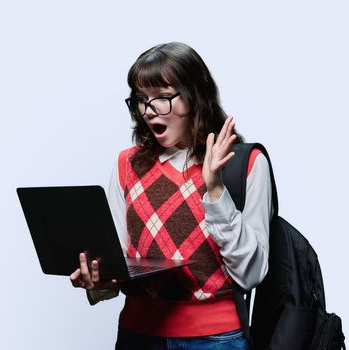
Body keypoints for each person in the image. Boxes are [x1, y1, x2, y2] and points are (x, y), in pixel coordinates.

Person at [69, 42, 273, 349]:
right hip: (137, 336)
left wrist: (215, 188)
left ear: (195, 96)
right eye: (141, 100)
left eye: (162, 98)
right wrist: (98, 281)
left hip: (217, 340)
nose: (150, 111)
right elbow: (117, 262)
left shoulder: (245, 165)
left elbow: (251, 274)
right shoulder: (126, 164)